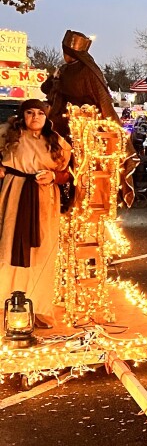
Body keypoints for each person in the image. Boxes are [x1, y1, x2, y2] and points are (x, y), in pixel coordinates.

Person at [40, 30, 138, 204]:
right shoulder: (62, 70)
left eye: (66, 52)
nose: (64, 56)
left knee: (81, 168)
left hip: (83, 127)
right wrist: (54, 80)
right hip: (59, 122)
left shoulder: (89, 71)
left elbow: (100, 99)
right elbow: (46, 89)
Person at [0, 100, 72, 328]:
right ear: (22, 115)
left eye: (40, 113)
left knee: (42, 252)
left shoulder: (56, 141)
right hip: (14, 195)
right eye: (30, 113)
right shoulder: (6, 135)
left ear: (46, 116)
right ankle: (4, 301)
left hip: (44, 199)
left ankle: (40, 307)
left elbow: (68, 173)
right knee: (8, 247)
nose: (35, 117)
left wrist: (54, 177)